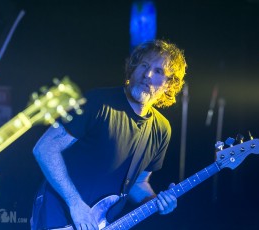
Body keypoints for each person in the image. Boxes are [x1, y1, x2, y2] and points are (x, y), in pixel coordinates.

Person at [31, 39, 187, 230]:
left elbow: (138, 182)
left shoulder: (162, 129)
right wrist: (76, 205)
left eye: (159, 71)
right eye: (144, 65)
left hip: (101, 223)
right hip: (58, 217)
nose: (147, 74)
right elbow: (45, 149)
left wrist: (157, 202)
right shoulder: (97, 102)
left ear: (169, 85)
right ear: (133, 67)